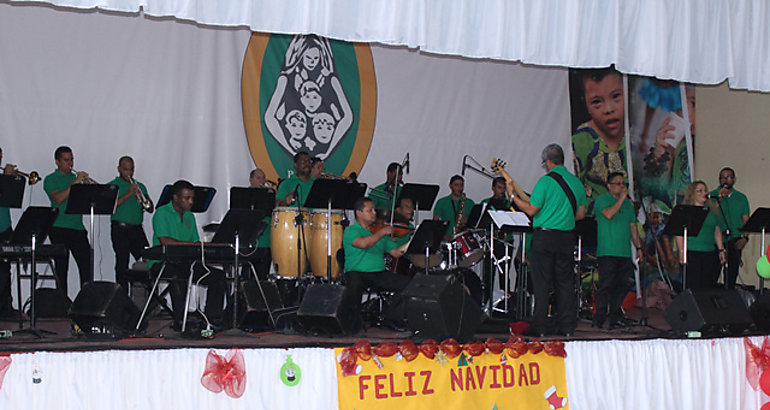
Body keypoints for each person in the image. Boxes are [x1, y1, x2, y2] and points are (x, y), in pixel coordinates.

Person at [507, 143, 586, 337]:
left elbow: (532, 210)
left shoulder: (545, 181)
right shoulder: (576, 183)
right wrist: (563, 219)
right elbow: (581, 214)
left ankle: (540, 326)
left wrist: (512, 196)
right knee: (565, 283)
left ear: (548, 162)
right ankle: (566, 326)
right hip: (566, 238)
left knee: (542, 282)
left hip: (545, 236)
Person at [150, 180, 227, 329]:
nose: (191, 202)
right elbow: (164, 240)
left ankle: (211, 319)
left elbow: (195, 243)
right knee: (177, 276)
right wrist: (191, 245)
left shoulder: (190, 217)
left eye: (192, 198)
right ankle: (180, 321)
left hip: (186, 263)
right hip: (163, 262)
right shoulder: (161, 213)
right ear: (175, 198)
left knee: (218, 277)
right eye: (187, 198)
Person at [342, 197, 410, 329]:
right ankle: (352, 324)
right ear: (359, 213)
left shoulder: (379, 232)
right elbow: (364, 243)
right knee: (354, 284)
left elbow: (396, 252)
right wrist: (382, 232)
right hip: (356, 272)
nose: (374, 213)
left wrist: (410, 243)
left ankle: (391, 318)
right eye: (370, 210)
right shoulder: (351, 231)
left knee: (407, 284)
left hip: (378, 273)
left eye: (374, 210)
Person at [571, 67, 628, 215]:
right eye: (597, 102)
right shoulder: (583, 140)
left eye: (616, 96)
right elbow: (577, 182)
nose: (608, 109)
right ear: (585, 103)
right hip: (596, 215)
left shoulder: (636, 135)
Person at [592, 172, 643, 329]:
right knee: (606, 286)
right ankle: (599, 318)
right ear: (609, 186)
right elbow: (608, 214)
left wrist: (639, 247)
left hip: (624, 252)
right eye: (618, 183)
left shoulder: (628, 205)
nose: (622, 186)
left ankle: (615, 317)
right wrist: (621, 198)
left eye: (623, 184)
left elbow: (633, 228)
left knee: (623, 285)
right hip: (607, 251)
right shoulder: (601, 200)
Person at [43, 145, 92, 296]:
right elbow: (58, 199)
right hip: (58, 227)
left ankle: (85, 301)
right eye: (66, 160)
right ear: (57, 162)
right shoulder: (50, 179)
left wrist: (87, 188)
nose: (70, 164)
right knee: (62, 268)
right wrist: (75, 183)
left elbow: (87, 202)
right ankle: (62, 303)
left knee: (86, 266)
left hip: (77, 227)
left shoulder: (74, 179)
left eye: (71, 160)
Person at [108, 156, 153, 294]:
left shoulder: (140, 186)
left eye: (131, 169)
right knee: (122, 263)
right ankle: (122, 297)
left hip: (137, 229)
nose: (129, 172)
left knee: (148, 259)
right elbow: (111, 206)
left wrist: (141, 197)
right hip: (120, 228)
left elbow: (150, 208)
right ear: (119, 169)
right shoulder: (113, 185)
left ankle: (150, 296)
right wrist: (128, 194)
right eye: (126, 169)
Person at [675, 181, 727, 290]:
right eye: (699, 191)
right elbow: (679, 232)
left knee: (708, 284)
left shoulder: (711, 211)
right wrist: (681, 252)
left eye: (705, 190)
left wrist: (721, 249)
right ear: (692, 194)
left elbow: (716, 230)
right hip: (693, 252)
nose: (704, 193)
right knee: (694, 285)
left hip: (709, 252)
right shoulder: (687, 211)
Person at [711, 167, 750, 289]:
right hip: (715, 241)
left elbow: (746, 220)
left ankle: (729, 299)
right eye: (723, 177)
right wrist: (720, 198)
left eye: (728, 177)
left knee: (731, 274)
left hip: (734, 240)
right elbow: (710, 216)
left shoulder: (741, 198)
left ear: (734, 179)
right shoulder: (712, 196)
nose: (725, 180)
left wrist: (745, 238)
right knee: (712, 273)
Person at [0, 148, 17, 315]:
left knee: (5, 269)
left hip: (5, 227)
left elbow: (12, 198)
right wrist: (6, 177)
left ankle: (6, 307)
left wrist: (11, 179)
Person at [248, 167, 273, 280]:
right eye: (258, 178)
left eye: (263, 179)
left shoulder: (269, 196)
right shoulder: (244, 195)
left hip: (266, 241)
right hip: (249, 243)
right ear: (251, 180)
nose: (262, 182)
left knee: (263, 276)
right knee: (248, 275)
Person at [433, 175, 475, 239]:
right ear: (450, 186)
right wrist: (444, 236)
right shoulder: (442, 202)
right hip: (447, 238)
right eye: (456, 185)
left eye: (461, 185)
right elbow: (435, 223)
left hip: (465, 238)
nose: (459, 188)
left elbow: (476, 224)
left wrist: (467, 221)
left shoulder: (470, 202)